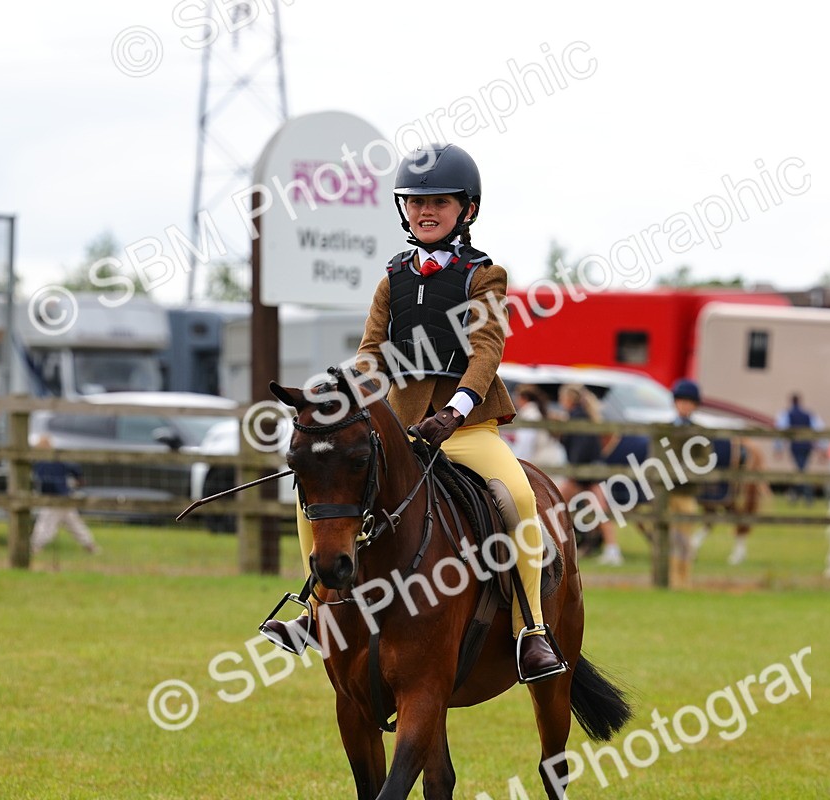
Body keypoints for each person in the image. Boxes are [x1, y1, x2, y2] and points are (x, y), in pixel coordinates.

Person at [261, 143, 565, 682]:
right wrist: (342, 388)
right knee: (317, 495)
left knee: (517, 497)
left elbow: (486, 350)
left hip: (467, 427)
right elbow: (371, 351)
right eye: (416, 202)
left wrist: (456, 409)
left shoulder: (484, 277)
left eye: (440, 202)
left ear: (466, 210)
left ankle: (532, 631)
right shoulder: (392, 278)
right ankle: (314, 614)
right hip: (400, 428)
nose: (426, 212)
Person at [557, 384, 623, 566]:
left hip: (583, 473)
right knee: (600, 510)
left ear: (569, 400)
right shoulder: (586, 417)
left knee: (555, 505)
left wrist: (574, 474)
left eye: (563, 398)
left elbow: (579, 449)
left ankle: (550, 544)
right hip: (590, 471)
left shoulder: (577, 419)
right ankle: (612, 550)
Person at [668, 379, 712, 589]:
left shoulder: (700, 432)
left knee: (684, 539)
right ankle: (668, 578)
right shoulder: (664, 429)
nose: (684, 406)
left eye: (689, 402)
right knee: (667, 538)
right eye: (681, 402)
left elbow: (704, 459)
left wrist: (684, 470)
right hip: (666, 493)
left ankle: (683, 581)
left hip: (686, 492)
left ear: (694, 405)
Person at [30, 435, 100, 555]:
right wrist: (79, 478)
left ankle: (35, 545)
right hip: (64, 494)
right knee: (73, 522)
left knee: (46, 522)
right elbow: (74, 468)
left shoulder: (39, 463)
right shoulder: (59, 459)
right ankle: (90, 545)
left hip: (51, 497)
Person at [507, 384, 567, 479]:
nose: (516, 401)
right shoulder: (535, 412)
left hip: (543, 463)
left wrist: (517, 464)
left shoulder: (530, 415)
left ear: (524, 398)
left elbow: (525, 445)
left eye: (517, 397)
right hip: (551, 460)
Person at [775, 393, 823, 505]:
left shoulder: (787, 414)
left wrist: (778, 448)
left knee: (801, 472)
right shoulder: (808, 414)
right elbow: (818, 428)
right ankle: (797, 496)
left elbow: (781, 430)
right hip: (807, 447)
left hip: (796, 447)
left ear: (791, 401)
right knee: (802, 470)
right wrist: (820, 448)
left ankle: (804, 497)